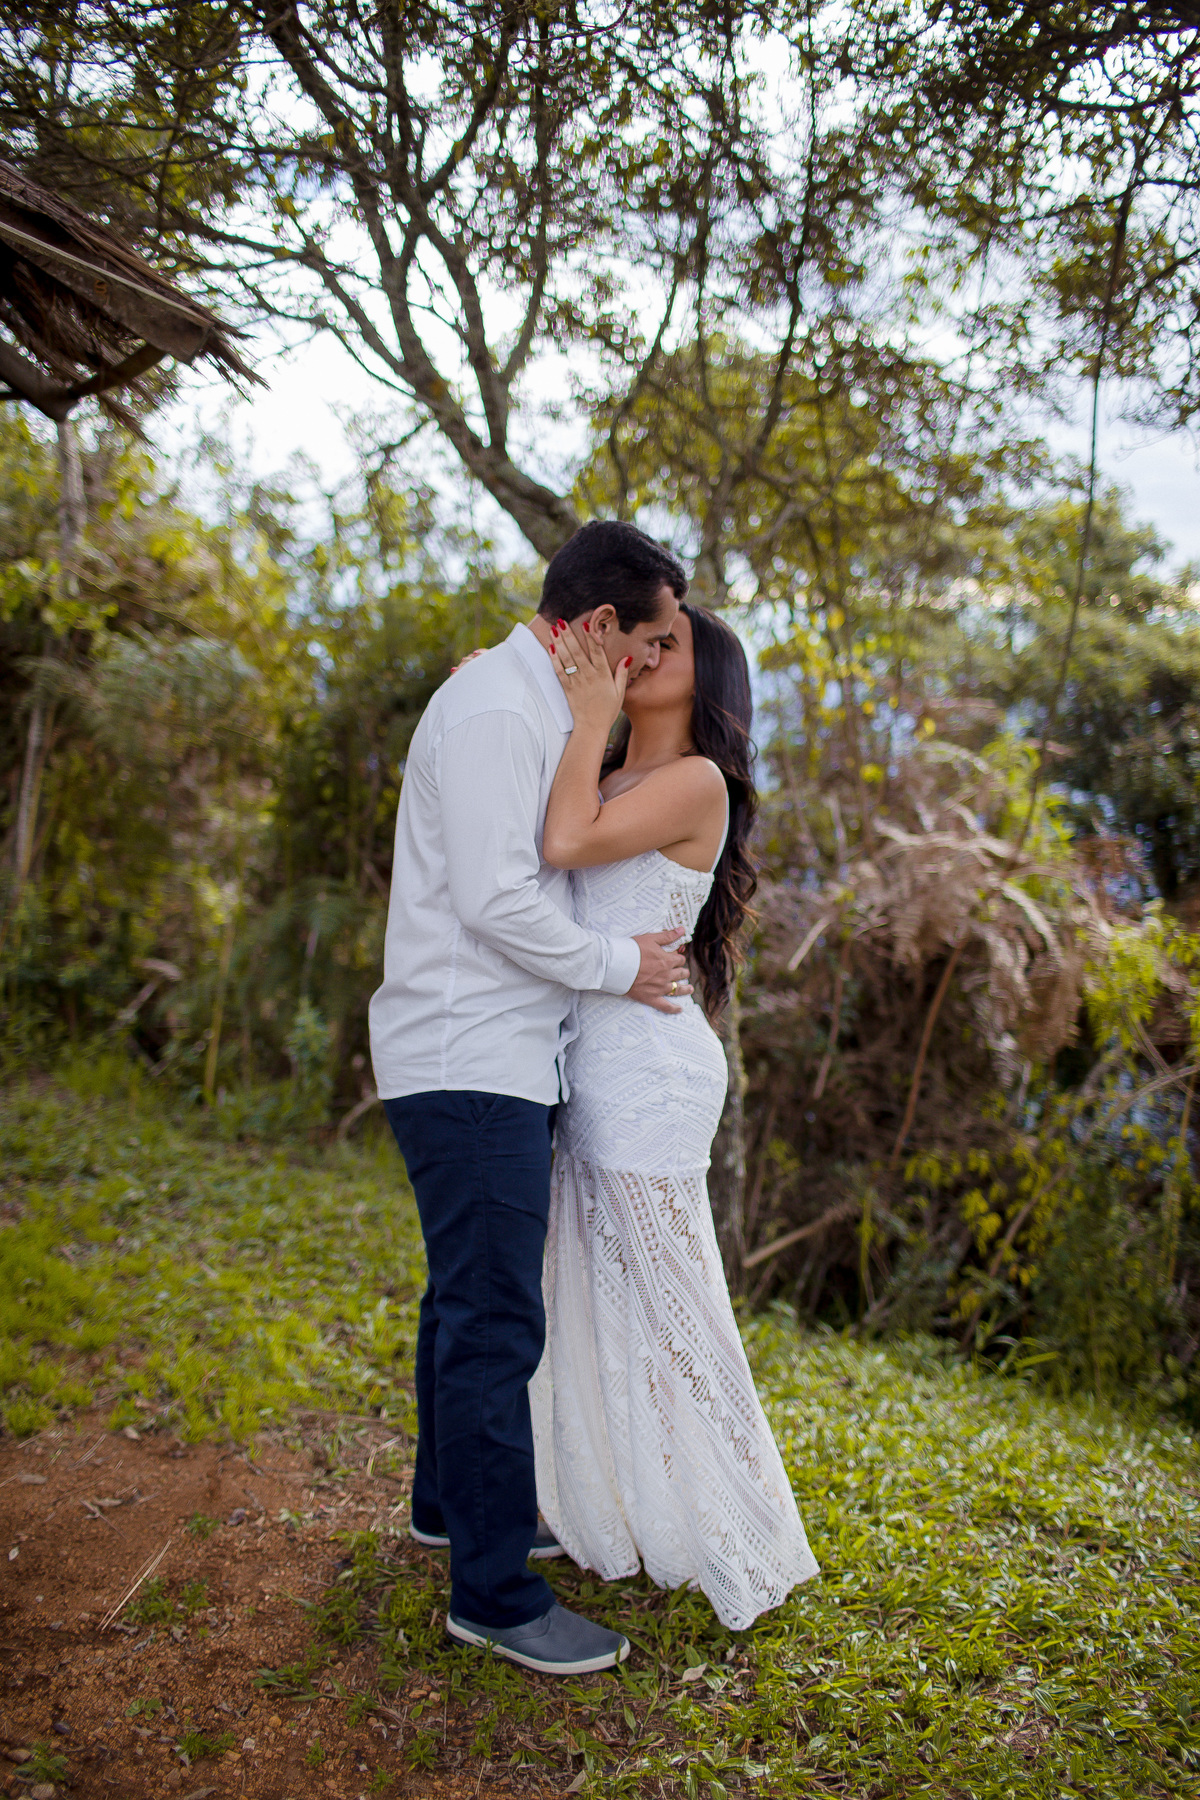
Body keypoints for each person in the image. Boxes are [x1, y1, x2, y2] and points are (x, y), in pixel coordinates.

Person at [369, 519, 696, 1675]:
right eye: (654, 641)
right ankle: (493, 1596)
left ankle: (451, 1509)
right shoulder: (504, 709)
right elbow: (498, 902)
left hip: (497, 1054)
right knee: (497, 1320)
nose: (661, 661)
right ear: (600, 628)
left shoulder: (527, 703)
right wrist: (626, 968)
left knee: (465, 1302)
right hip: (469, 1056)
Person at [529, 602, 819, 1630]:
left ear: (707, 681)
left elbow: (564, 842)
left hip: (649, 1069)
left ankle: (745, 1516)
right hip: (588, 1064)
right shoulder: (609, 773)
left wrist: (583, 709)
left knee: (675, 1302)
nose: (645, 655)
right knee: (594, 1295)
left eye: (670, 646)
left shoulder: (693, 781)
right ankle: (610, 1503)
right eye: (638, 638)